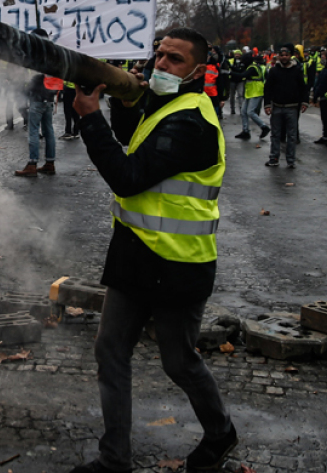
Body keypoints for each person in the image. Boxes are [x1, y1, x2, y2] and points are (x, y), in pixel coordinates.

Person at [70, 27, 236, 473]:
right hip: (136, 257)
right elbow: (135, 134)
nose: (160, 65)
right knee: (110, 351)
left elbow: (128, 175)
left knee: (179, 363)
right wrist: (124, 101)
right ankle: (113, 460)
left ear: (199, 70)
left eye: (174, 60)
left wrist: (89, 118)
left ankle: (221, 432)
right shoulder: (167, 105)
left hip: (179, 265)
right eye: (158, 55)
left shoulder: (192, 120)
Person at [16, 32, 59, 176]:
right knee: (49, 131)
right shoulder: (54, 53)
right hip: (49, 98)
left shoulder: (38, 55)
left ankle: (32, 164)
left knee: (33, 131)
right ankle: (50, 163)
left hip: (38, 97)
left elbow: (33, 75)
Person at [263, 44, 308, 168]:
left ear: (290, 56)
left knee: (292, 136)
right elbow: (268, 88)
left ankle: (290, 160)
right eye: (281, 55)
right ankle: (274, 157)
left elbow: (303, 87)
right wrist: (267, 104)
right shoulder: (274, 71)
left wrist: (304, 102)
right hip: (277, 106)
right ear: (278, 56)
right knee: (275, 134)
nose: (284, 57)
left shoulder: (296, 70)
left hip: (292, 107)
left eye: (286, 55)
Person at [233, 52, 269, 140]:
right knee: (243, 111)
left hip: (256, 91)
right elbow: (241, 71)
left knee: (250, 112)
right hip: (251, 92)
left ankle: (264, 127)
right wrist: (231, 69)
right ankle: (245, 131)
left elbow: (243, 75)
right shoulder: (251, 66)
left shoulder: (252, 68)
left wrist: (230, 73)